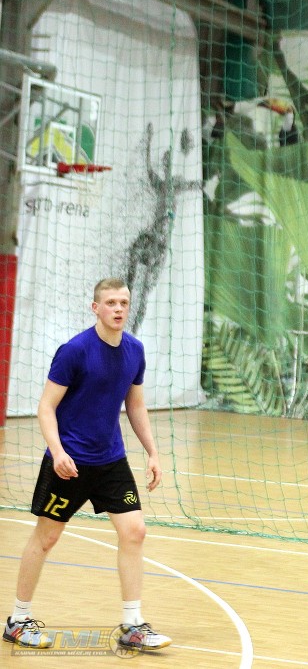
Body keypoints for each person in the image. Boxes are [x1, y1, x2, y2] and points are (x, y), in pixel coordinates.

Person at [3, 278, 171, 652]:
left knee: (135, 532)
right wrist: (58, 451)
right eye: (111, 302)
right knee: (46, 537)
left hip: (111, 460)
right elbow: (46, 406)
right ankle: (18, 620)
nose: (118, 308)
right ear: (96, 308)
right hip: (70, 462)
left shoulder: (135, 350)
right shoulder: (75, 351)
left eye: (123, 302)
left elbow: (135, 405)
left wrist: (153, 452)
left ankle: (132, 624)